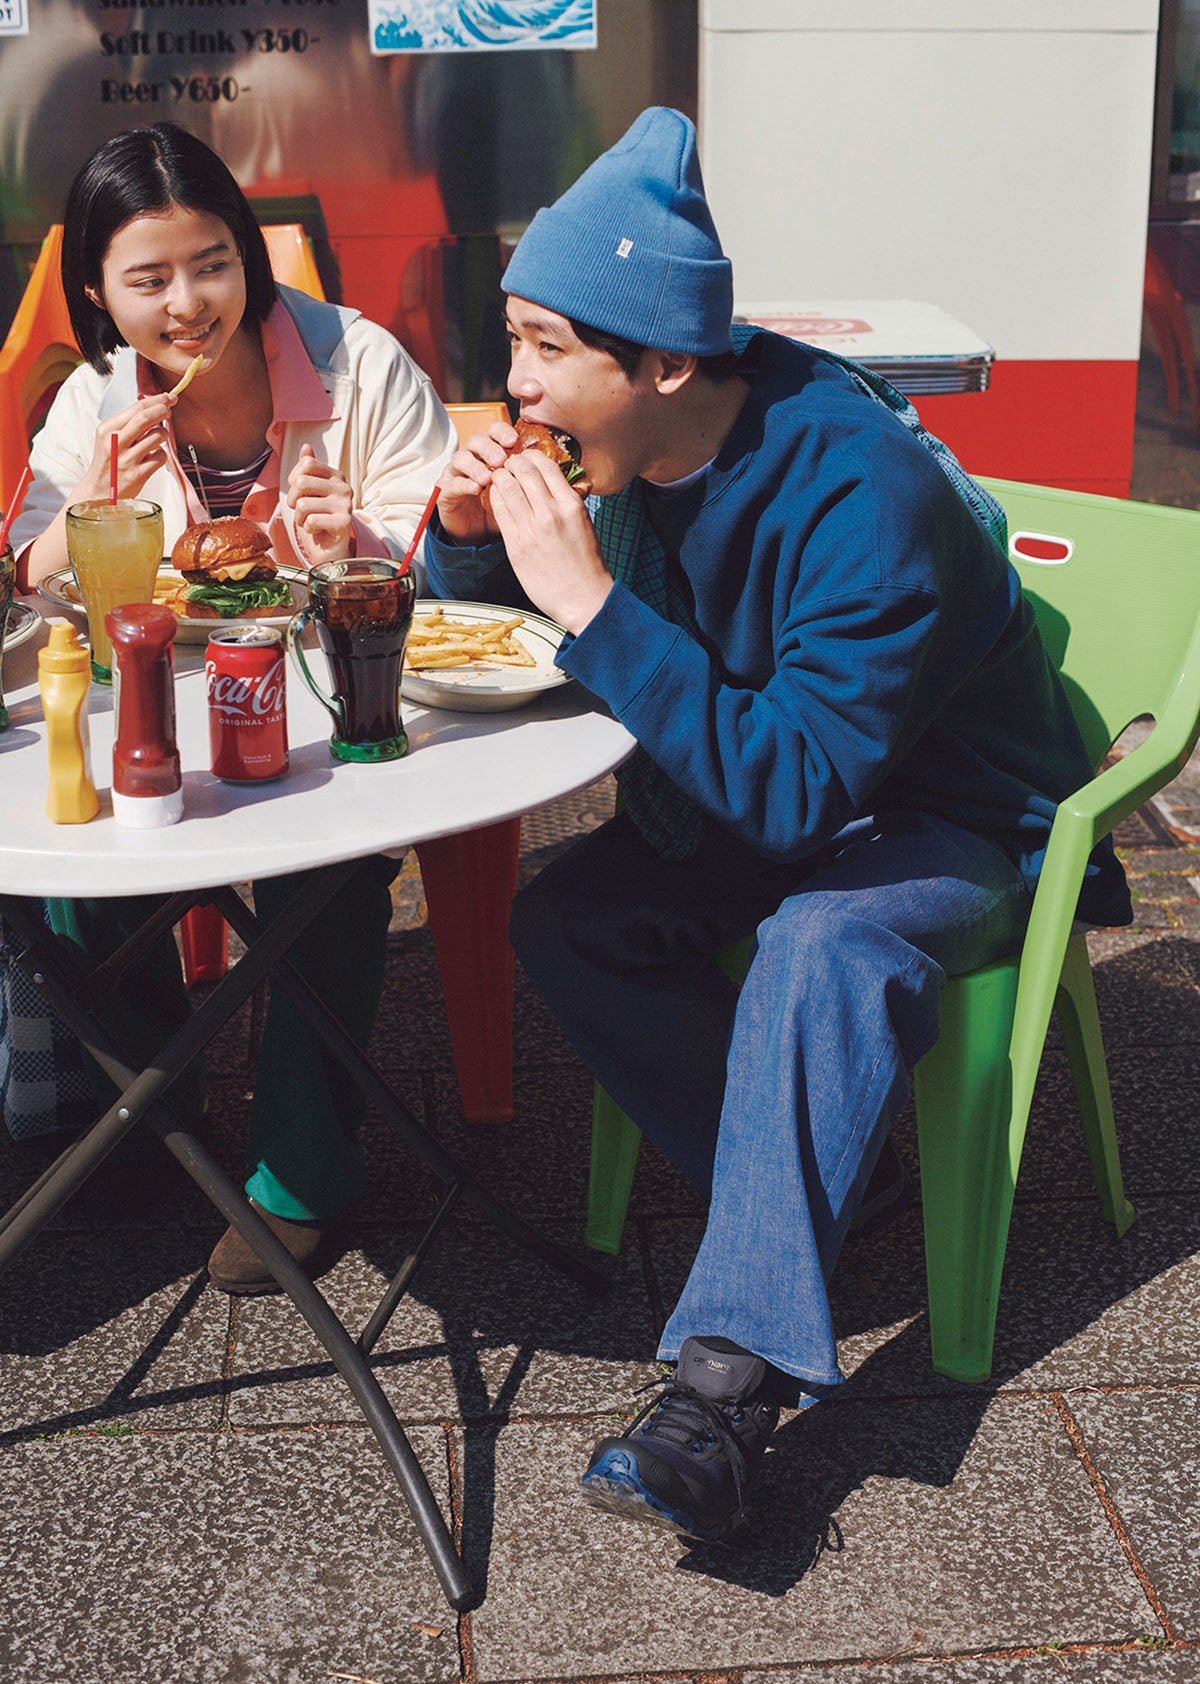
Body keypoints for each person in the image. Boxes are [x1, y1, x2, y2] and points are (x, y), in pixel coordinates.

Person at [424, 107, 1132, 1543]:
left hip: (941, 812)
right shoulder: (626, 453)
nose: (519, 385)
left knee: (818, 942)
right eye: (513, 340)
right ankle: (829, 1186)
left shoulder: (865, 492)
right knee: (570, 918)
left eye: (549, 348)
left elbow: (808, 795)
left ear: (667, 363)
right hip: (754, 787)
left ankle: (726, 1396)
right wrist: (463, 542)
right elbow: (515, 623)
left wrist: (589, 605)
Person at [9, 122, 456, 1293]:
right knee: (83, 853)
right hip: (152, 703)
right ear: (99, 296)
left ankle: (305, 1170)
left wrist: (348, 541)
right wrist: (86, 514)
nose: (187, 305)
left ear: (248, 258)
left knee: (335, 865)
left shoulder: (354, 364)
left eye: (210, 263)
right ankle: (161, 1110)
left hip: (325, 700)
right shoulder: (95, 401)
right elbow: (25, 573)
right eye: (147, 280)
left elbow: (444, 557)